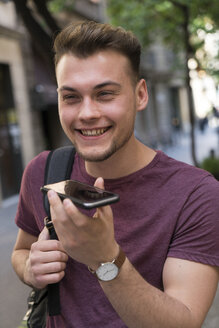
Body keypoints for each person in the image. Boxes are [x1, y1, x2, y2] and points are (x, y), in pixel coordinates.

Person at [11, 21, 219, 328]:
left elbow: (185, 321)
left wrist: (104, 257)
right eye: (70, 97)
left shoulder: (197, 194)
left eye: (105, 94)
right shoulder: (43, 170)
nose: (86, 113)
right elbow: (22, 250)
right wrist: (30, 268)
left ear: (140, 95)